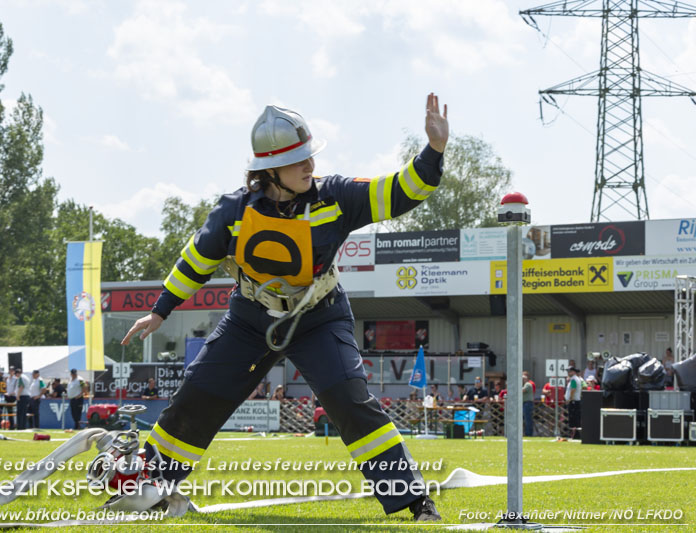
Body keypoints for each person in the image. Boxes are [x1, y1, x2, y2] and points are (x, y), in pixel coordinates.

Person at [121, 93, 448, 521]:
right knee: (197, 394)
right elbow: (195, 263)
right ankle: (147, 487)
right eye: (298, 160)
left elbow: (406, 190)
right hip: (249, 320)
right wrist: (161, 310)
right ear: (268, 170)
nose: (309, 166)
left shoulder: (336, 196)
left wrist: (434, 149)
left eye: (310, 156)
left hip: (319, 317)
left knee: (349, 399)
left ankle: (413, 500)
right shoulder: (232, 211)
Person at [564, 367, 583, 438]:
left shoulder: (573, 379)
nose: (568, 373)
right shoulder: (576, 379)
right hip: (575, 401)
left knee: (573, 419)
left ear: (573, 372)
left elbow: (573, 389)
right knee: (576, 419)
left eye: (570, 371)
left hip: (573, 402)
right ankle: (576, 435)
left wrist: (570, 399)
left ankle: (574, 435)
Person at [522, 373, 534, 437]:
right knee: (526, 419)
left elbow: (522, 390)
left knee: (528, 419)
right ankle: (526, 432)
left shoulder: (528, 384)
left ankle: (528, 433)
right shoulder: (525, 384)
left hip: (527, 403)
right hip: (525, 403)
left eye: (523, 379)